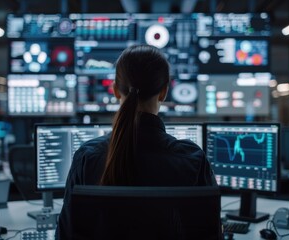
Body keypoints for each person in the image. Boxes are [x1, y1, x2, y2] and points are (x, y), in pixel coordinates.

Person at [56, 45, 217, 238]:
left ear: (115, 91)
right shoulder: (192, 159)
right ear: (164, 92)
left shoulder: (87, 157)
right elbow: (211, 234)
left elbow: (65, 235)